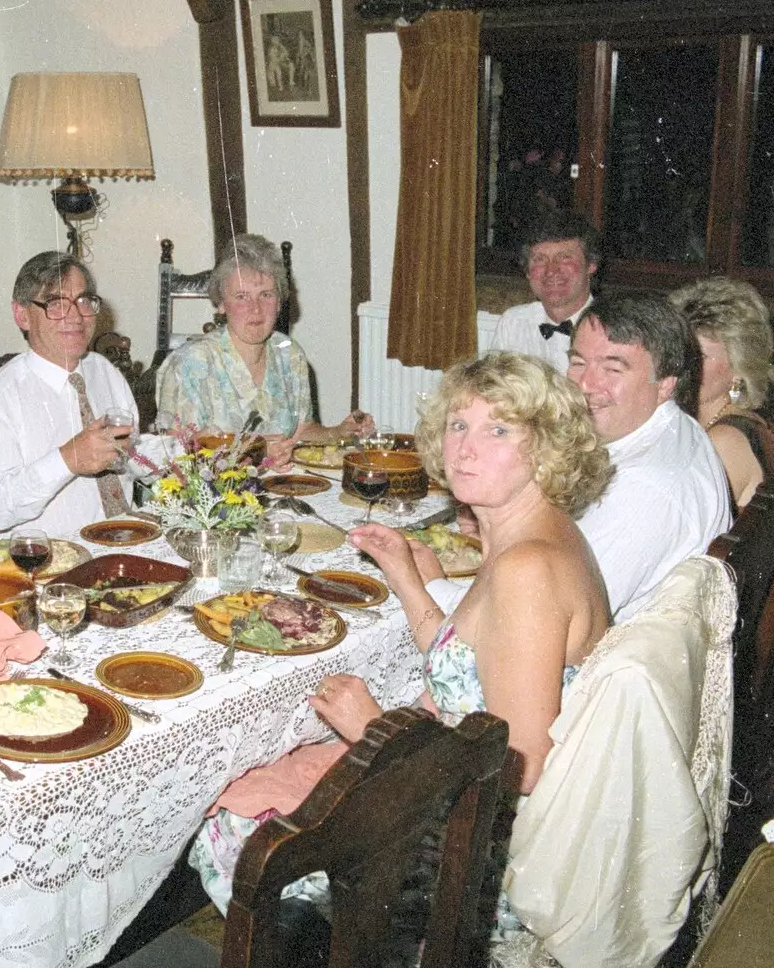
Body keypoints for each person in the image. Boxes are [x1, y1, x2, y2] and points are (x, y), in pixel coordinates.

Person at [191, 352, 613, 918]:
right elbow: (469, 660)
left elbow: (522, 767)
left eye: (499, 429)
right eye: (459, 424)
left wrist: (373, 732)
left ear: (546, 448)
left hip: (473, 864)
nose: (464, 447)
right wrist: (406, 579)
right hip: (459, 798)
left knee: (231, 828)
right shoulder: (529, 533)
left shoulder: (527, 570)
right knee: (265, 768)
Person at [566, 292, 732, 620]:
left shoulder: (643, 486)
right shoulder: (672, 428)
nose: (585, 384)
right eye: (577, 362)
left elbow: (559, 617)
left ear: (666, 384)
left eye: (612, 368)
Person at [0, 251, 140, 537]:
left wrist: (187, 451)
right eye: (56, 304)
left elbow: (133, 452)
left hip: (124, 542)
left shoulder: (103, 371)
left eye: (83, 300)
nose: (76, 316)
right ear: (22, 316)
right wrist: (67, 460)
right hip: (48, 564)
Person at [156, 234, 372, 460]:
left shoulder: (290, 353)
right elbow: (175, 453)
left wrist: (337, 432)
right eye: (242, 296)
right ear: (221, 303)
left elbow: (300, 431)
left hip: (281, 483)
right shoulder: (190, 364)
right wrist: (254, 449)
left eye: (266, 295)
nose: (256, 309)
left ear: (279, 301)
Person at [671, 276, 774, 510]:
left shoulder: (725, 441)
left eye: (701, 356)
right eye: (680, 350)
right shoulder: (736, 424)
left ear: (739, 368)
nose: (683, 364)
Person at [486, 210, 600, 376]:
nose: (551, 270)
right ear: (527, 271)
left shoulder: (610, 330)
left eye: (564, 257)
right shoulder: (514, 322)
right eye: (540, 259)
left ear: (591, 265)